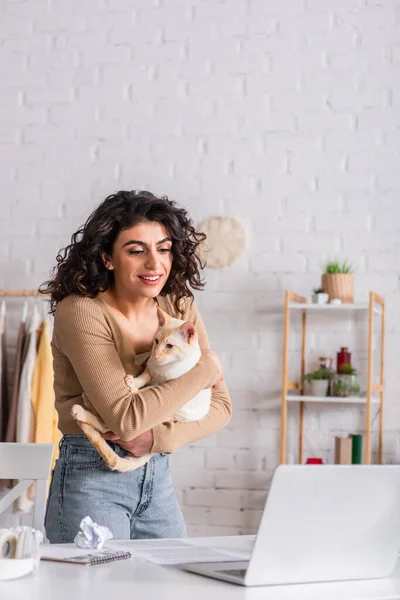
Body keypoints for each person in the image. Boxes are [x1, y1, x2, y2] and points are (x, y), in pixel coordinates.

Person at [40, 190, 231, 543]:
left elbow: (221, 407)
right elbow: (125, 420)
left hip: (158, 478)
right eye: (136, 250)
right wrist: (207, 369)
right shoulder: (81, 311)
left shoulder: (178, 305)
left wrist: (160, 438)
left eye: (163, 248)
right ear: (107, 258)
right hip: (92, 476)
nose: (155, 264)